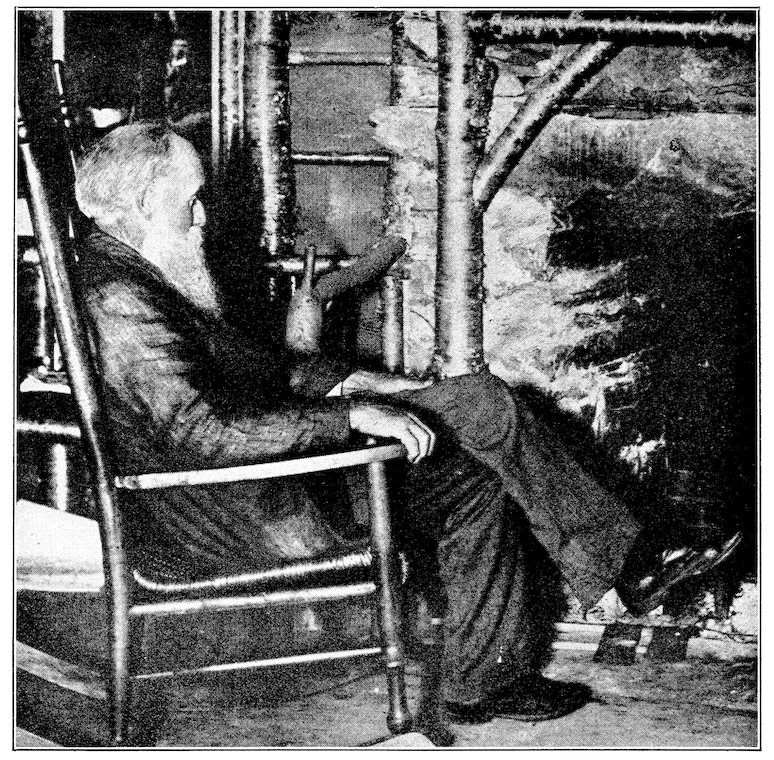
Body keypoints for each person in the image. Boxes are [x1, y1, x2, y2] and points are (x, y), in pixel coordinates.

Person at [73, 123, 741, 727]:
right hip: (245, 513)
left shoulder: (143, 275)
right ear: (144, 202)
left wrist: (373, 387)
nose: (201, 218)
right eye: (191, 200)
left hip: (264, 487)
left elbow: (265, 373)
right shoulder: (120, 299)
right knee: (483, 411)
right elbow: (205, 431)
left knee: (478, 456)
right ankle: (632, 565)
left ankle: (489, 677)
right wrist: (353, 413)